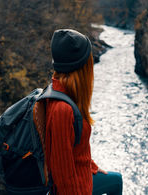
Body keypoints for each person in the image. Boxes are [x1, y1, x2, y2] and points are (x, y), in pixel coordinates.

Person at [45, 29, 123, 195]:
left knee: (116, 180)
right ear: (82, 67)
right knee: (115, 181)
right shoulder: (62, 110)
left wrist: (91, 166)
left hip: (83, 176)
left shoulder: (65, 93)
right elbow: (63, 178)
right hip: (78, 187)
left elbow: (76, 149)